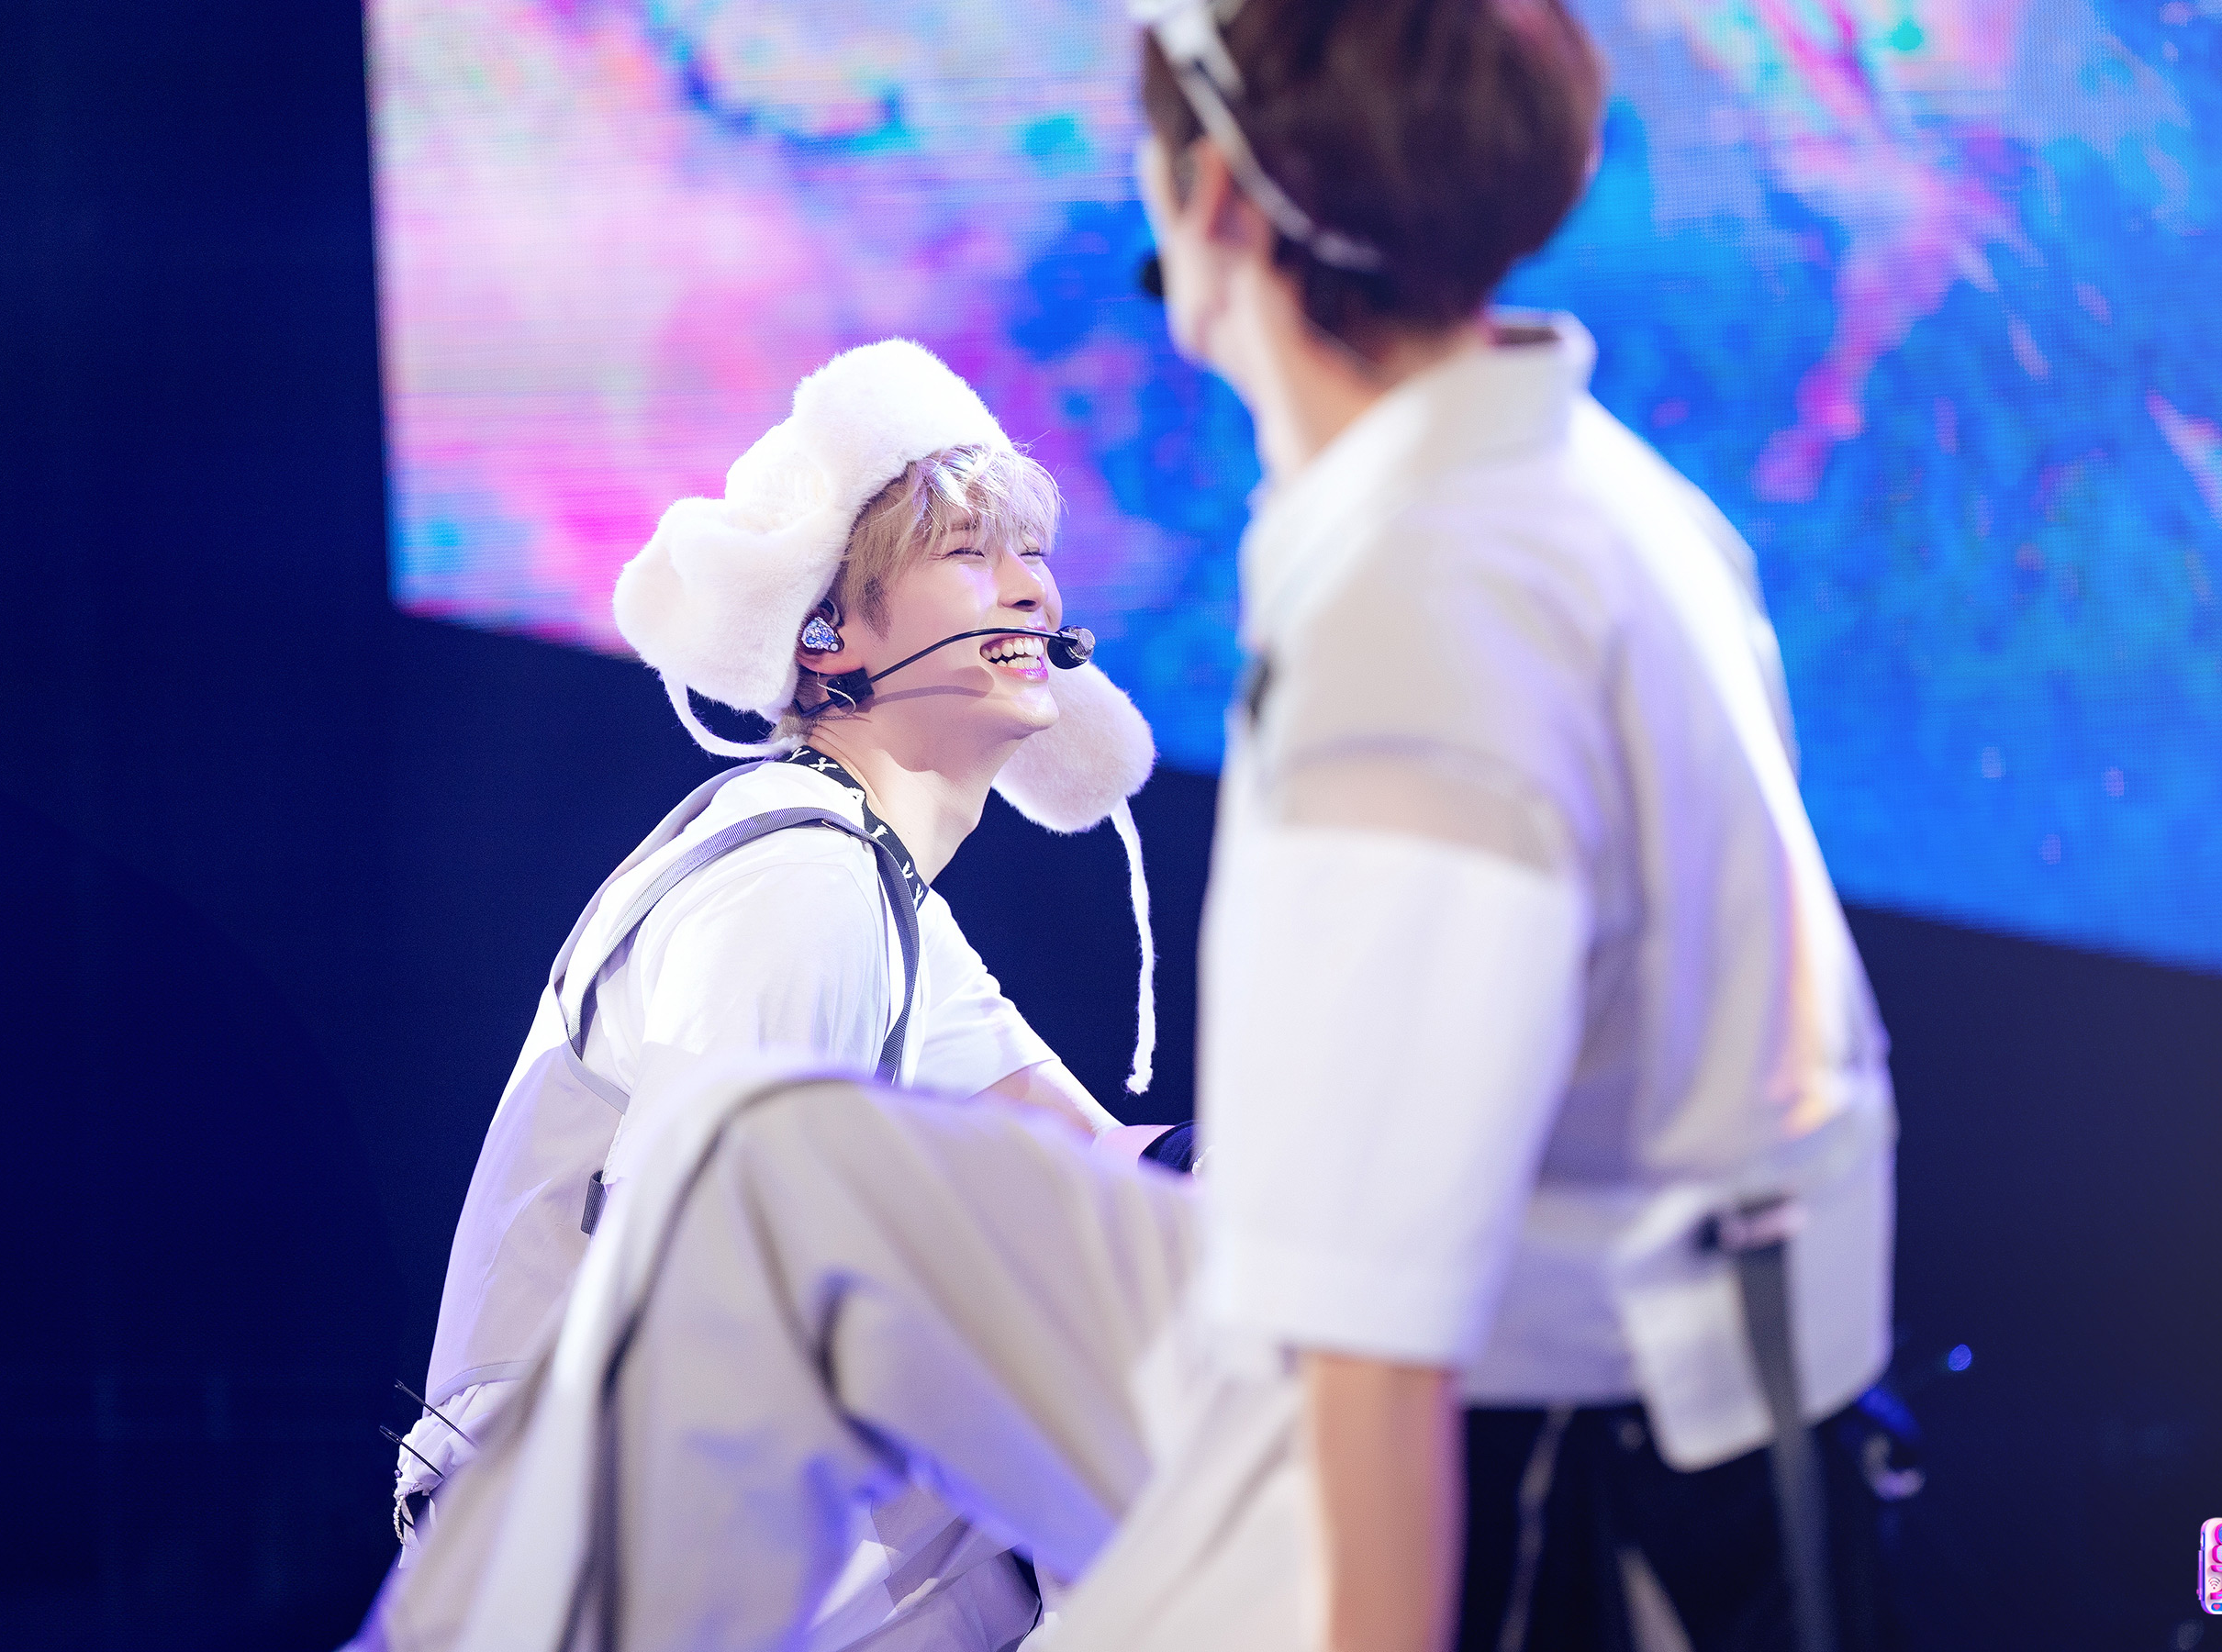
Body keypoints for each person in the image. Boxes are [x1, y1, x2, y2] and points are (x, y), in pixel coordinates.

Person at [363, 3, 1903, 1649]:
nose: (1030, 590)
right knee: (787, 1188)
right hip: (1634, 1422)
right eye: (973, 555)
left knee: (779, 1196)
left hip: (1550, 1473)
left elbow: (1373, 1315)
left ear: (1214, 203)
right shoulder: (1601, 512)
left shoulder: (1418, 600)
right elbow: (1080, 1161)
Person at [379, 338, 1165, 1652]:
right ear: (828, 633)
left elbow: (1108, 1174)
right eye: (970, 552)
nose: (1031, 587)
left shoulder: (872, 887)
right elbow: (694, 1298)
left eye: (1034, 554)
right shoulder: (799, 878)